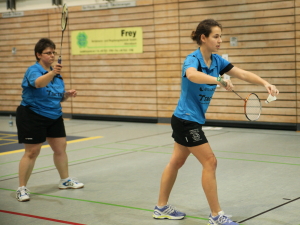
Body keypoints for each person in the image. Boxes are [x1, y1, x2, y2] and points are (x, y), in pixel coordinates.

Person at [152, 19, 279, 225]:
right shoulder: (192, 59)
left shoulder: (218, 62)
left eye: (221, 36)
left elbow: (243, 74)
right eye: (216, 36)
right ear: (204, 38)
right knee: (210, 162)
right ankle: (216, 215)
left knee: (176, 162)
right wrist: (218, 80)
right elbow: (192, 75)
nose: (220, 40)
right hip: (186, 120)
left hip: (189, 119)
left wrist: (266, 83)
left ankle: (161, 208)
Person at [15, 38, 84, 202]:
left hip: (54, 116)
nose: (52, 55)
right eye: (48, 53)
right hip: (32, 115)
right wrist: (52, 73)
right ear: (38, 54)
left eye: (54, 52)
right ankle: (22, 188)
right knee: (32, 152)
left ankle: (64, 180)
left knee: (61, 149)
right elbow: (38, 84)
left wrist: (67, 95)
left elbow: (57, 97)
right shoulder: (34, 70)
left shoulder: (57, 75)